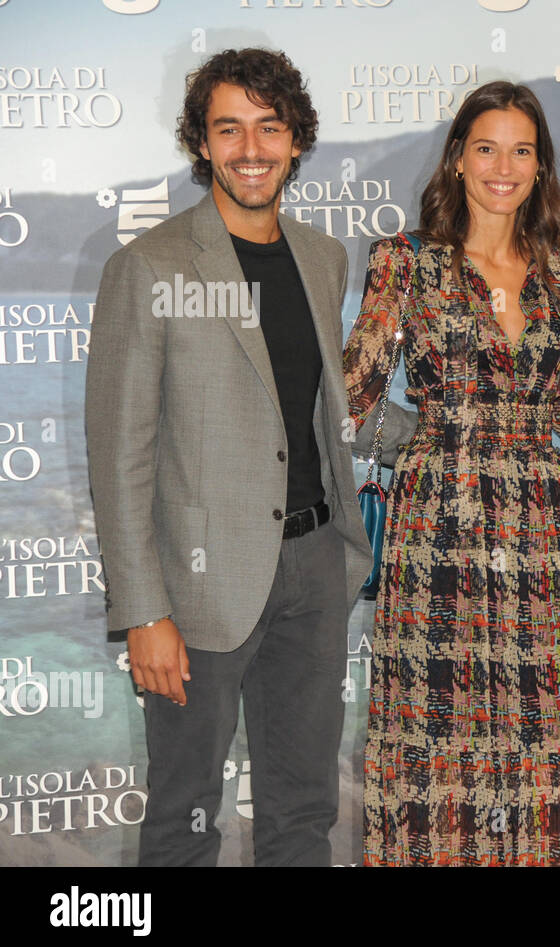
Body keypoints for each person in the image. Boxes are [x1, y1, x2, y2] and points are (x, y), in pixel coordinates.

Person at [85, 48, 372, 866]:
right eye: (230, 129)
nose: (252, 148)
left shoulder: (324, 258)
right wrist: (144, 613)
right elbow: (119, 457)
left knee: (303, 810)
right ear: (203, 144)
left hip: (314, 571)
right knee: (183, 818)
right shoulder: (149, 266)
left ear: (296, 139)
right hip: (198, 588)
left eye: (269, 127)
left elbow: (319, 411)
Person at [342, 80, 560, 866]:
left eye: (521, 150)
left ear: (541, 166)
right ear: (458, 159)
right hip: (440, 536)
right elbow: (350, 386)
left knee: (551, 761)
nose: (504, 166)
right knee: (443, 754)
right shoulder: (405, 263)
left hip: (546, 541)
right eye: (486, 147)